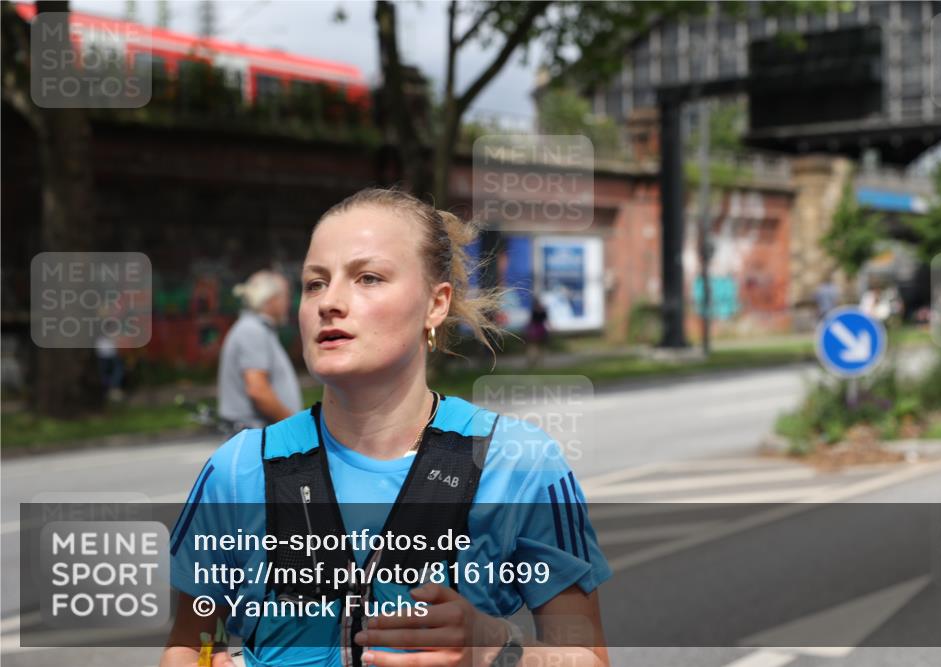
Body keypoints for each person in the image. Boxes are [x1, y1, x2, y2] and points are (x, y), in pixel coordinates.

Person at [162, 188, 611, 667]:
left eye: (368, 278)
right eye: (315, 283)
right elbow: (191, 644)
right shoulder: (237, 470)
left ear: (436, 304)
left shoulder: (519, 465)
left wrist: (494, 646)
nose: (329, 302)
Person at [216, 270, 303, 434]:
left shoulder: (257, 329)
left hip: (258, 436)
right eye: (285, 296)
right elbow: (258, 391)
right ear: (271, 299)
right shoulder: (252, 331)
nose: (288, 303)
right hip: (256, 438)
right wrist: (294, 427)